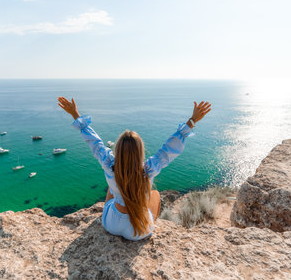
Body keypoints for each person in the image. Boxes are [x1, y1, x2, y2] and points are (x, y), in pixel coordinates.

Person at [57, 97, 211, 241]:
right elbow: (169, 148)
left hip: (111, 225)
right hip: (139, 231)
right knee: (155, 194)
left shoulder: (109, 164)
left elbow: (94, 142)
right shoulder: (148, 169)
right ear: (140, 152)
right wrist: (192, 121)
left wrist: (75, 114)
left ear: (117, 150)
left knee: (112, 190)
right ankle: (148, 220)